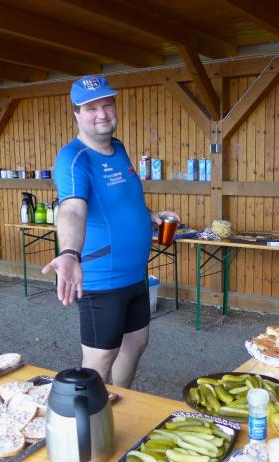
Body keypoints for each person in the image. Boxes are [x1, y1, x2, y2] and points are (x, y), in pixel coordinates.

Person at [42, 75, 180, 388]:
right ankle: (91, 415)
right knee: (100, 361)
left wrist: (150, 216)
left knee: (136, 343)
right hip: (102, 277)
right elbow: (72, 209)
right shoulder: (73, 158)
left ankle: (119, 403)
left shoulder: (118, 148)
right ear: (77, 114)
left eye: (107, 105)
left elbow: (123, 200)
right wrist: (69, 253)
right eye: (91, 108)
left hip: (135, 274)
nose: (102, 114)